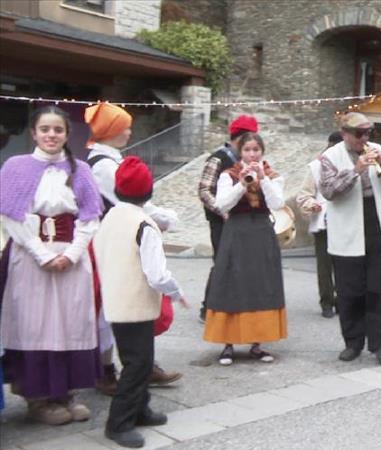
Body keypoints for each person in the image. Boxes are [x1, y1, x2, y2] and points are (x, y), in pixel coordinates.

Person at [0, 106, 102, 425]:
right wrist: (42, 254)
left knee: (68, 324)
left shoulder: (80, 170)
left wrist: (71, 254)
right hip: (31, 258)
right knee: (37, 324)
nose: (51, 135)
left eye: (58, 130)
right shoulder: (16, 167)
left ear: (67, 135)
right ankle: (38, 397)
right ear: (34, 133)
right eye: (45, 129)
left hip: (70, 256)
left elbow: (90, 217)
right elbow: (11, 216)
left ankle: (65, 392)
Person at [84, 102, 182, 394]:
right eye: (124, 126)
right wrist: (165, 218)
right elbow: (129, 201)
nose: (129, 131)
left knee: (132, 301)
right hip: (113, 240)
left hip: (118, 236)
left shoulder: (107, 159)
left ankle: (140, 364)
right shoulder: (102, 165)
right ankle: (110, 370)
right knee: (113, 306)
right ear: (111, 130)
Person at [93, 156, 188, 448]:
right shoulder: (144, 224)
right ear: (149, 192)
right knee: (138, 364)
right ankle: (118, 422)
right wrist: (175, 291)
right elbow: (157, 273)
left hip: (115, 300)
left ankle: (141, 408)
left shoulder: (109, 218)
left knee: (135, 359)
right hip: (135, 303)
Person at [319, 113, 381, 366]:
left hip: (375, 222)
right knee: (349, 291)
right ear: (345, 133)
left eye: (368, 133)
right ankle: (353, 343)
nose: (365, 139)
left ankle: (379, 344)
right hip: (346, 229)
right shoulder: (330, 157)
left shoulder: (377, 149)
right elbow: (329, 192)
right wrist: (355, 170)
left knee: (377, 288)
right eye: (359, 134)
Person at [203, 132, 287, 365]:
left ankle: (257, 343)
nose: (252, 154)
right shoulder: (228, 175)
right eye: (248, 150)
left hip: (261, 232)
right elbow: (221, 204)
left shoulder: (272, 175)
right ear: (240, 152)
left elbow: (277, 204)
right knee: (232, 283)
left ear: (262, 152)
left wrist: (263, 180)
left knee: (260, 284)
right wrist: (242, 184)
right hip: (236, 232)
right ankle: (228, 344)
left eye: (256, 150)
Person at [197, 114, 259, 323]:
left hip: (242, 220)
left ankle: (233, 305)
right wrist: (222, 210)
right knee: (222, 263)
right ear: (238, 138)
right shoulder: (219, 158)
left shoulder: (247, 160)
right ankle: (208, 308)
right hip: (221, 220)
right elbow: (204, 190)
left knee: (239, 263)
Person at [296, 131, 342, 319]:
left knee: (345, 265)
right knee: (324, 266)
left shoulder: (352, 166)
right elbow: (304, 194)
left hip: (345, 222)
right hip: (324, 222)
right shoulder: (316, 167)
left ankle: (342, 300)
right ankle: (326, 302)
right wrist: (311, 205)